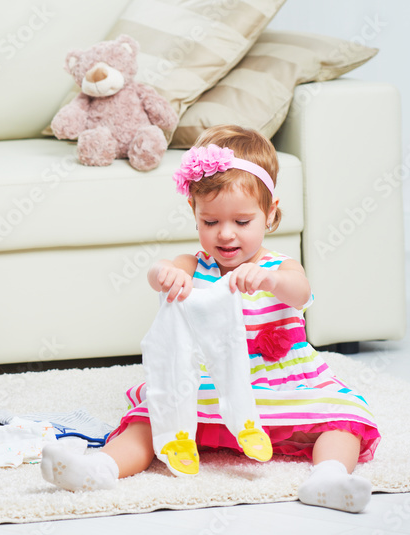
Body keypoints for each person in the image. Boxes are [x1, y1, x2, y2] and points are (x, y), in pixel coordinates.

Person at [41, 125, 379, 513]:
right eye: (210, 222)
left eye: (242, 221)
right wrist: (165, 275)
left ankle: (329, 477)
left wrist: (270, 280)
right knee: (151, 419)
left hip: (278, 380)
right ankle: (101, 468)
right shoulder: (194, 264)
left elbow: (299, 291)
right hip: (205, 382)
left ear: (270, 214)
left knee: (342, 419)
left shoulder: (279, 266)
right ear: (195, 215)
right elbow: (160, 271)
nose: (226, 235)